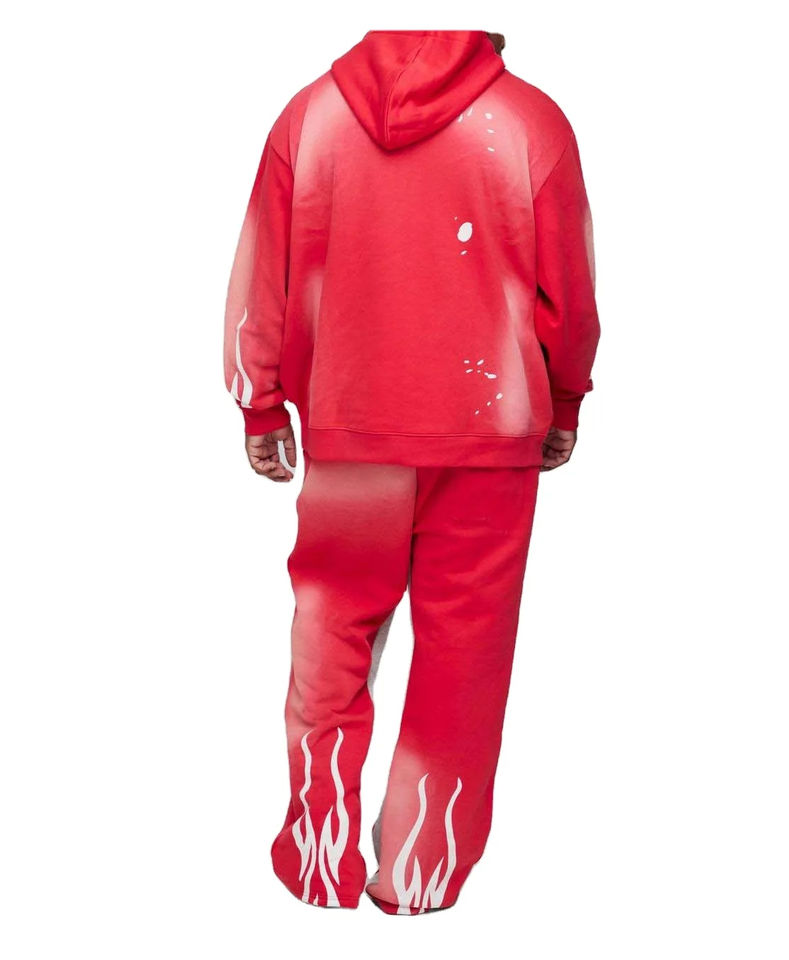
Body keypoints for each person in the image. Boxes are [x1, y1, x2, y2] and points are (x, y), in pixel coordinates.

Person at [223, 29, 600, 915]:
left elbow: (264, 268)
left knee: (331, 638)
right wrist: (565, 398)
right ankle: (420, 873)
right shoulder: (531, 122)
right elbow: (571, 293)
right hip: (488, 434)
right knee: (463, 652)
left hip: (350, 424)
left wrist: (258, 399)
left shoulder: (309, 117)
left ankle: (318, 855)